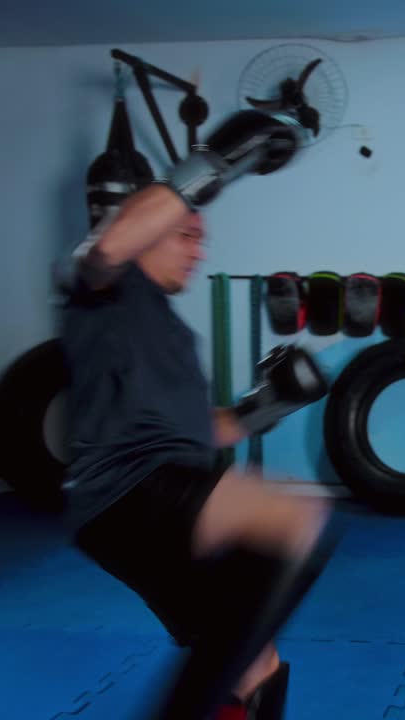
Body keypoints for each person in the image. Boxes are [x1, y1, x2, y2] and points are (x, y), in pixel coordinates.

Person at [55, 109, 341, 720]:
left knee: (255, 664)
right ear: (143, 231)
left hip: (145, 504)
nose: (199, 246)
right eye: (186, 234)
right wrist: (219, 161)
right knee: (295, 518)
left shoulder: (172, 334)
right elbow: (108, 247)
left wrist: (267, 404)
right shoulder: (102, 288)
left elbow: (204, 431)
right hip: (128, 492)